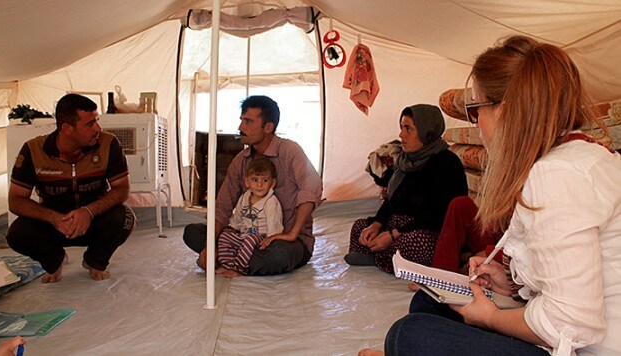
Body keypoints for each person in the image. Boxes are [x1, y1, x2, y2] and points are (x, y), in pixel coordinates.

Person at [362, 35, 621, 355]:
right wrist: (509, 286)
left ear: (507, 111)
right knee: (427, 301)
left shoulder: (556, 174)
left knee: (408, 334)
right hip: (577, 333)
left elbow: (573, 324)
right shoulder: (579, 158)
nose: (478, 123)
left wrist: (492, 318)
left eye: (475, 110)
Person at [183, 95, 322, 276]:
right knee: (192, 232)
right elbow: (223, 206)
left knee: (279, 255)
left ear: (268, 127)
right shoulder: (241, 161)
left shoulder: (290, 151)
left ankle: (230, 262)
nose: (241, 127)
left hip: (284, 241)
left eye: (248, 121)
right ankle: (237, 260)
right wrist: (209, 247)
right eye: (241, 121)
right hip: (245, 238)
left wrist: (292, 234)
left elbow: (311, 189)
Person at [7, 94, 136, 283]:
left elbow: (122, 189)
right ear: (67, 129)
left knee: (125, 218)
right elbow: (16, 200)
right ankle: (54, 260)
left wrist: (88, 212)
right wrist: (54, 218)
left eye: (97, 121)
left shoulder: (109, 144)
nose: (98, 129)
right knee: (16, 233)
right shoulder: (33, 150)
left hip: (93, 221)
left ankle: (95, 261)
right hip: (54, 225)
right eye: (90, 124)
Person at [344, 104, 468, 273]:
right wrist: (376, 225)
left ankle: (381, 256)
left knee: (415, 244)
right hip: (398, 226)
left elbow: (438, 215)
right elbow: (391, 201)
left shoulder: (446, 163)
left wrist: (393, 234)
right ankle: (388, 257)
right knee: (360, 227)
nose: (401, 135)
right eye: (402, 128)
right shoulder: (406, 161)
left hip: (427, 230)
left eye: (408, 129)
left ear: (426, 131)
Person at [216, 157, 283, 278]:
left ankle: (240, 268)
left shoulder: (271, 202)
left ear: (273, 183)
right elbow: (238, 216)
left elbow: (274, 223)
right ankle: (228, 265)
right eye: (255, 180)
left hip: (260, 237)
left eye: (265, 180)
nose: (259, 184)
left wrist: (271, 238)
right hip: (244, 234)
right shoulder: (244, 197)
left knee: (250, 240)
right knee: (224, 236)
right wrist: (233, 228)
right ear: (247, 182)